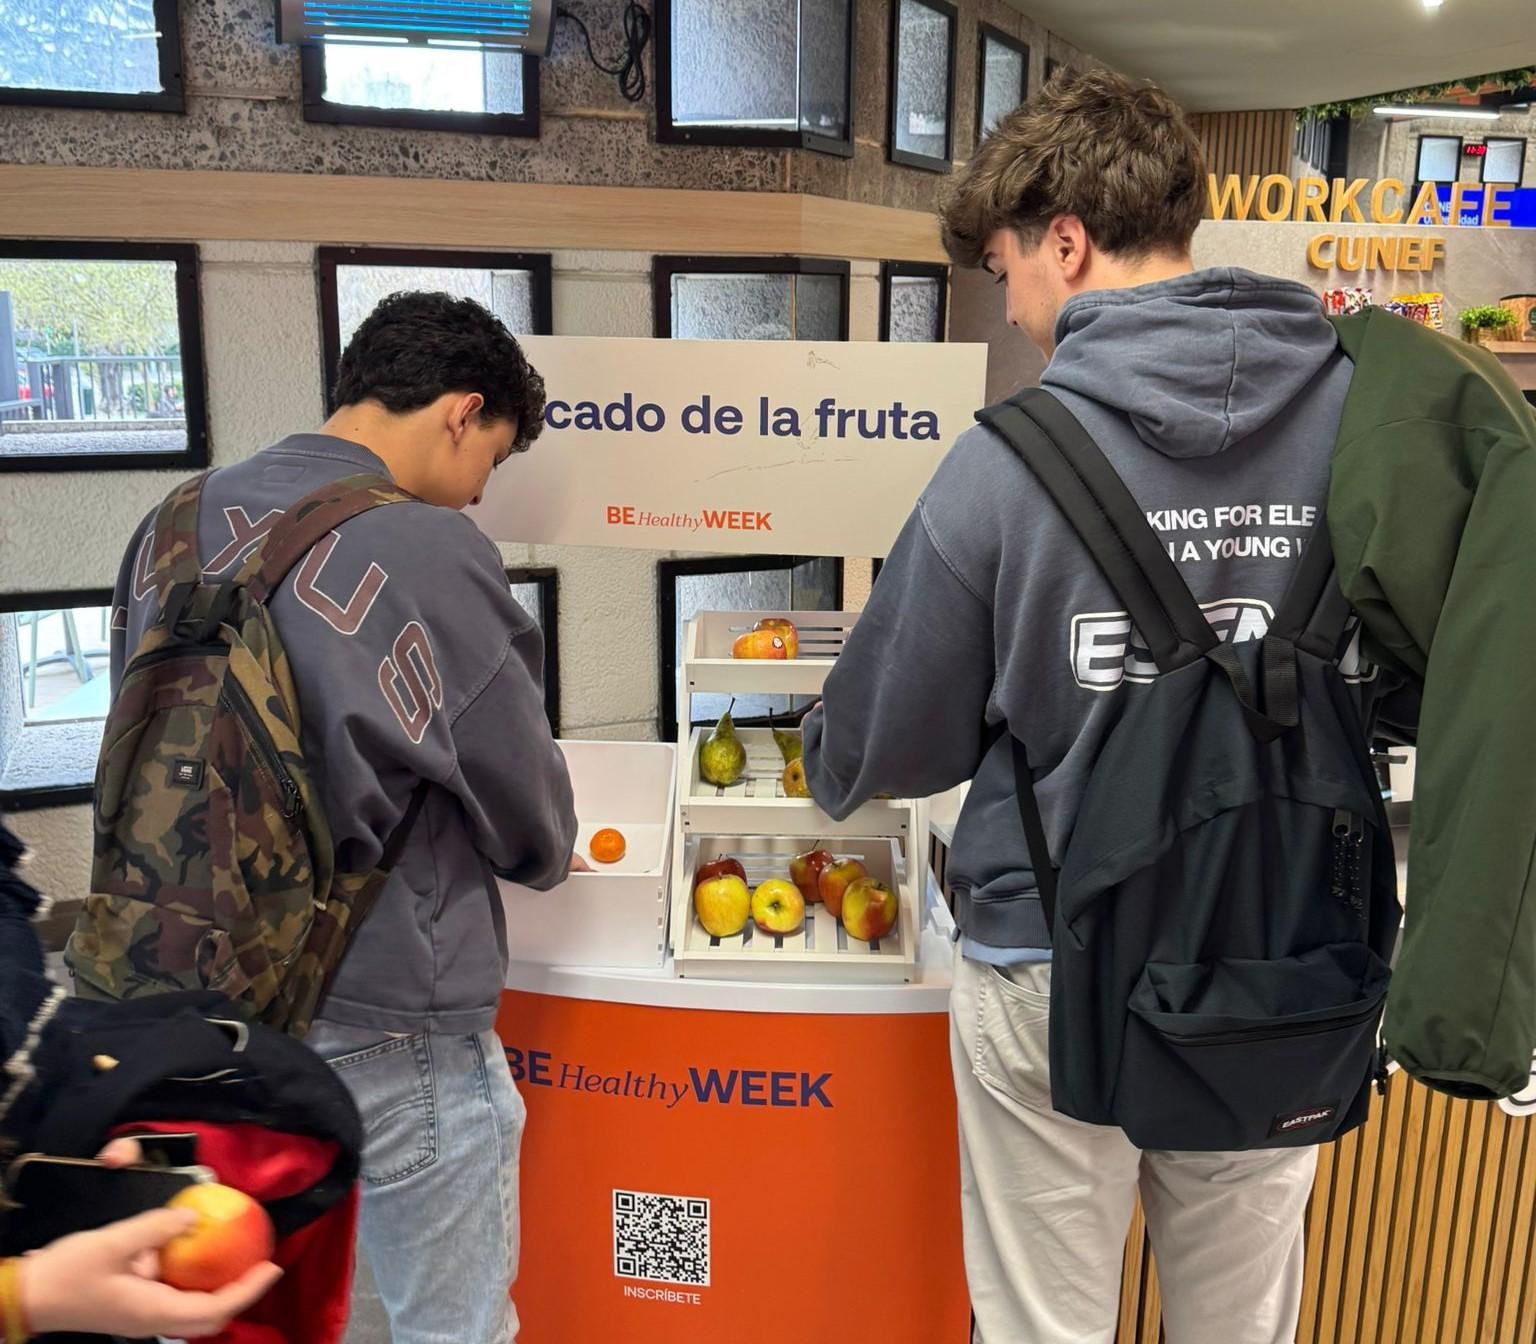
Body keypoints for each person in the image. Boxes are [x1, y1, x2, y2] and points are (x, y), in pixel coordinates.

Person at [802, 69, 1356, 1343]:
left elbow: (885, 738)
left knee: (1046, 1328)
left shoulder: (1010, 462)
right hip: (1278, 947)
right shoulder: (1365, 420)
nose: (1014, 305)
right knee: (1241, 1323)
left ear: (1067, 239)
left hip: (1055, 958)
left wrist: (836, 753)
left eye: (1006, 268)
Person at [106, 291, 579, 1344]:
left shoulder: (170, 524)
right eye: (490, 464)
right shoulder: (425, 548)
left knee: (257, 1316)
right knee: (445, 1329)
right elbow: (529, 817)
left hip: (193, 1007)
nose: (475, 498)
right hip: (387, 1015)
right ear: (461, 412)